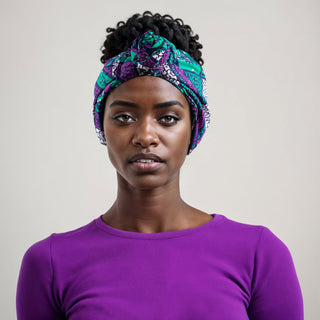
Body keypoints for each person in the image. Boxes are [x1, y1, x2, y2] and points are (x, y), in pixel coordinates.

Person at [16, 11, 304, 320]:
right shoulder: (50, 264)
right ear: (102, 126)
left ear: (194, 129)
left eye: (167, 118)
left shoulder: (259, 255)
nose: (145, 136)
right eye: (124, 117)